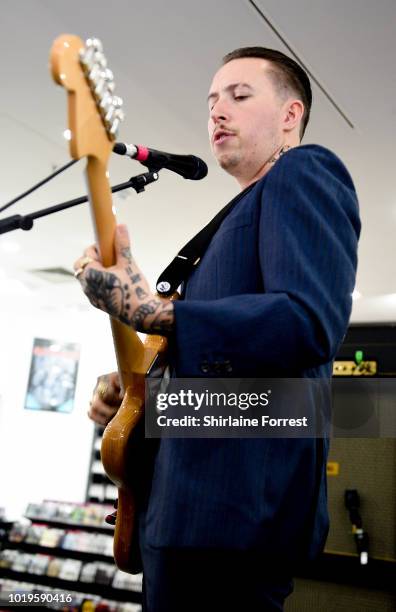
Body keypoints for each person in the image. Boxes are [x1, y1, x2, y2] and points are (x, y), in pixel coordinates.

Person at [75, 47, 360, 611]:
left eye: (239, 95)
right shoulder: (230, 223)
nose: (217, 112)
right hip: (183, 521)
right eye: (211, 102)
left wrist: (158, 315)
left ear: (290, 115)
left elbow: (306, 324)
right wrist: (140, 396)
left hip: (231, 524)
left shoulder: (305, 171)